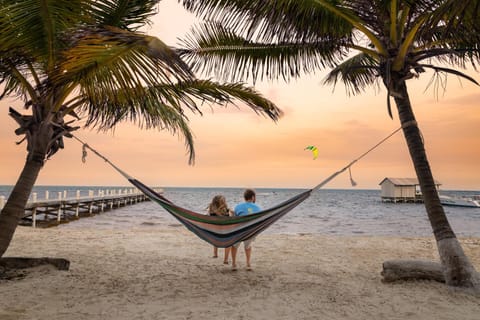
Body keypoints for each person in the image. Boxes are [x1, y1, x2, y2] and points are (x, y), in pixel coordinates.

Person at [231, 188, 261, 271]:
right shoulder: (258, 208)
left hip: (239, 231)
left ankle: (234, 264)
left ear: (245, 197)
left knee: (234, 246)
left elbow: (234, 218)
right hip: (251, 232)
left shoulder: (238, 206)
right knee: (248, 246)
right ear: (252, 197)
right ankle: (248, 264)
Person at [207, 195, 233, 264]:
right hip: (224, 232)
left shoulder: (211, 211)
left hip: (215, 232)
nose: (224, 202)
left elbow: (208, 219)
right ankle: (226, 259)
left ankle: (215, 254)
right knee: (229, 243)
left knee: (215, 240)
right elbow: (230, 218)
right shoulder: (226, 210)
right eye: (223, 201)